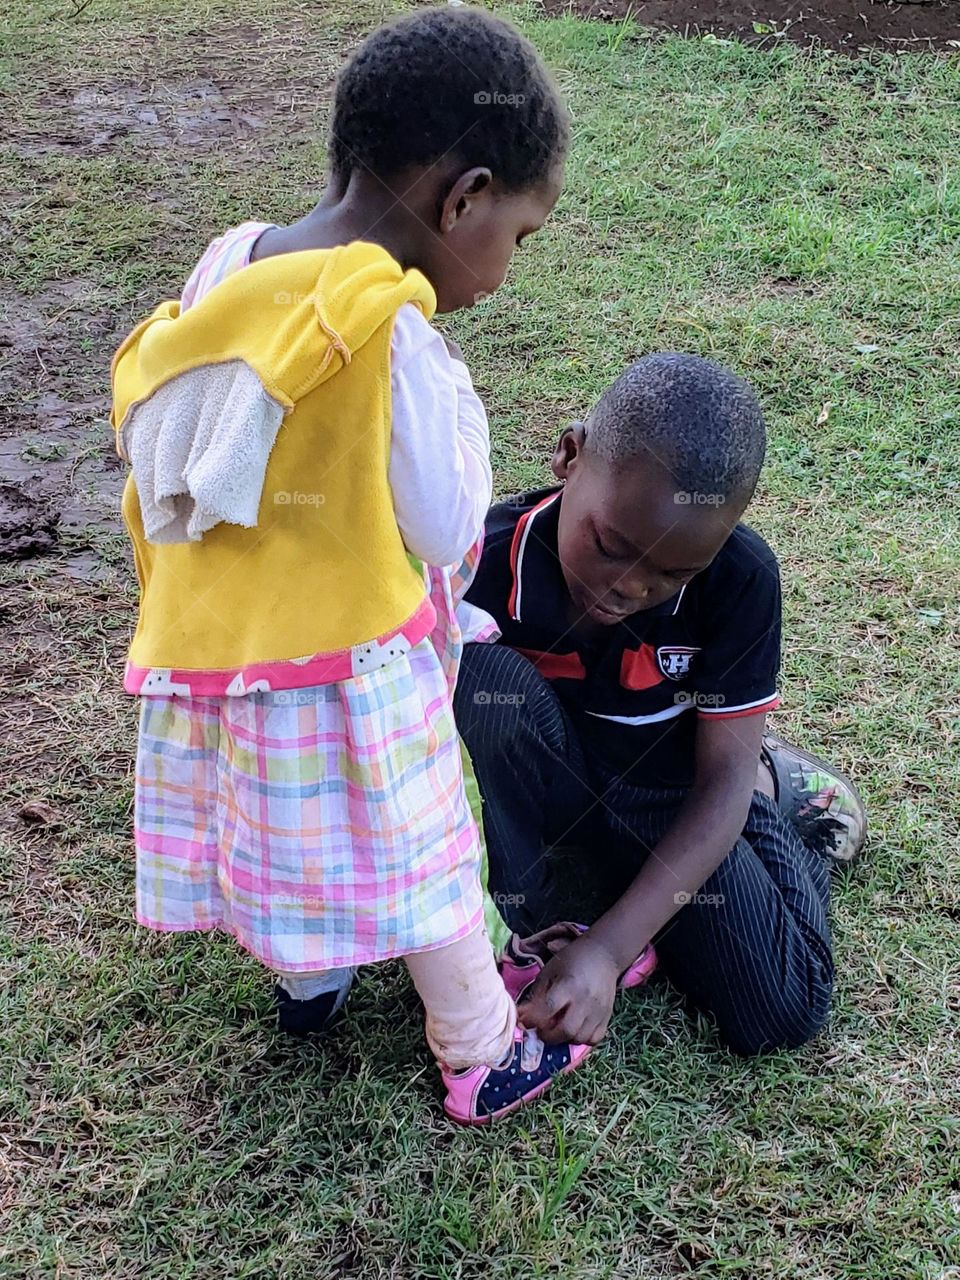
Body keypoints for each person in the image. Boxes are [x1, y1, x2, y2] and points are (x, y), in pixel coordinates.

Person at [111, 6, 587, 1125]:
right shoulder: (395, 331)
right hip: (348, 662)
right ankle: (481, 1049)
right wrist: (458, 392)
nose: (506, 269)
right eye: (517, 235)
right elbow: (444, 523)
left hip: (233, 649)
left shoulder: (234, 255)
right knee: (426, 849)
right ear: (462, 197)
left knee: (286, 821)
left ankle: (310, 980)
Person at [454, 353, 867, 1057]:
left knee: (782, 1010)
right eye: (611, 547)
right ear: (569, 455)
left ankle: (775, 789)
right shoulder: (479, 561)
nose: (628, 587)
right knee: (478, 680)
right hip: (553, 782)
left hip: (668, 791)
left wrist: (608, 951)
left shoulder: (740, 581)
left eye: (674, 572)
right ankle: (523, 914)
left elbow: (717, 787)